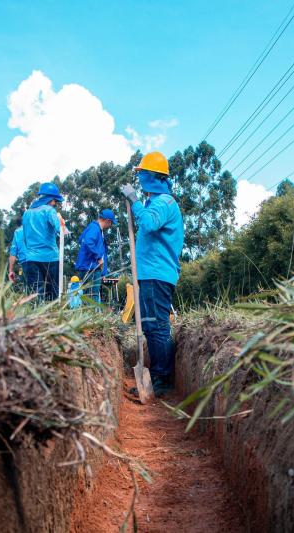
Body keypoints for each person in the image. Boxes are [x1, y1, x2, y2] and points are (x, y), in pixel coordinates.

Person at [120, 151, 183, 396]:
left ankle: (162, 381)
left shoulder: (164, 202)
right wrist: (139, 202)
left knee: (157, 326)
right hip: (147, 275)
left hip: (158, 274)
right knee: (149, 326)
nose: (140, 178)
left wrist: (134, 200)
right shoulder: (153, 202)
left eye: (143, 173)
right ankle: (156, 377)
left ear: (155, 176)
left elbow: (148, 223)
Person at [22, 182, 65, 302]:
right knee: (53, 294)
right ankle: (54, 319)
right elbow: (61, 231)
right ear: (51, 199)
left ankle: (36, 319)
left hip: (31, 258)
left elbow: (24, 236)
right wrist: (61, 222)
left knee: (36, 294)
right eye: (55, 201)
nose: (55, 204)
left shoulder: (27, 213)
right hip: (50, 258)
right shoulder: (49, 211)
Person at [74, 209, 116, 304]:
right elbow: (89, 242)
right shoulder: (95, 228)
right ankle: (93, 317)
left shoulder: (93, 228)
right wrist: (98, 258)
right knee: (93, 295)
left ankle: (87, 317)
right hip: (91, 267)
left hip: (87, 267)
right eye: (111, 223)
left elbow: (81, 239)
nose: (110, 225)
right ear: (107, 221)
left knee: (88, 295)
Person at [7, 225, 27, 289]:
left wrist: (10, 270)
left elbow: (13, 253)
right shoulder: (40, 228)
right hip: (43, 261)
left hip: (24, 264)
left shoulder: (18, 232)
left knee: (25, 286)